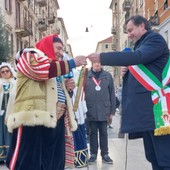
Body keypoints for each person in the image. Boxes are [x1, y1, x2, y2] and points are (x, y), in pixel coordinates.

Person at [87, 15, 170, 170]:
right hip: (149, 112)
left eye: (130, 30)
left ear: (142, 27)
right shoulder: (141, 45)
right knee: (153, 156)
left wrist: (102, 57)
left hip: (160, 110)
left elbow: (139, 57)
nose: (129, 34)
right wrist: (130, 71)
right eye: (127, 31)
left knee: (165, 157)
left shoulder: (154, 40)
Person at [5, 34, 87, 170]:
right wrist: (72, 63)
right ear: (47, 45)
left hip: (56, 119)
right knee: (30, 162)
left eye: (62, 50)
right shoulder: (28, 55)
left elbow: (52, 89)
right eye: (58, 48)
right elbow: (40, 71)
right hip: (33, 118)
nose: (61, 53)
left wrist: (67, 88)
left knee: (54, 162)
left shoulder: (55, 67)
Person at [85, 62, 116, 164]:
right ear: (92, 64)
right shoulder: (87, 75)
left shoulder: (107, 76)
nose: (97, 64)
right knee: (92, 132)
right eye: (95, 63)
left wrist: (112, 110)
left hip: (104, 109)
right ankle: (93, 154)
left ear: (101, 64)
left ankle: (105, 154)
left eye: (99, 63)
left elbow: (112, 93)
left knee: (104, 132)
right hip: (91, 109)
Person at [0, 63, 16, 164]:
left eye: (7, 71)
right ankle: (2, 156)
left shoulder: (15, 83)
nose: (5, 73)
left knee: (11, 132)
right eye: (2, 72)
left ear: (10, 72)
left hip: (11, 111)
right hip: (1, 112)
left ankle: (11, 155)